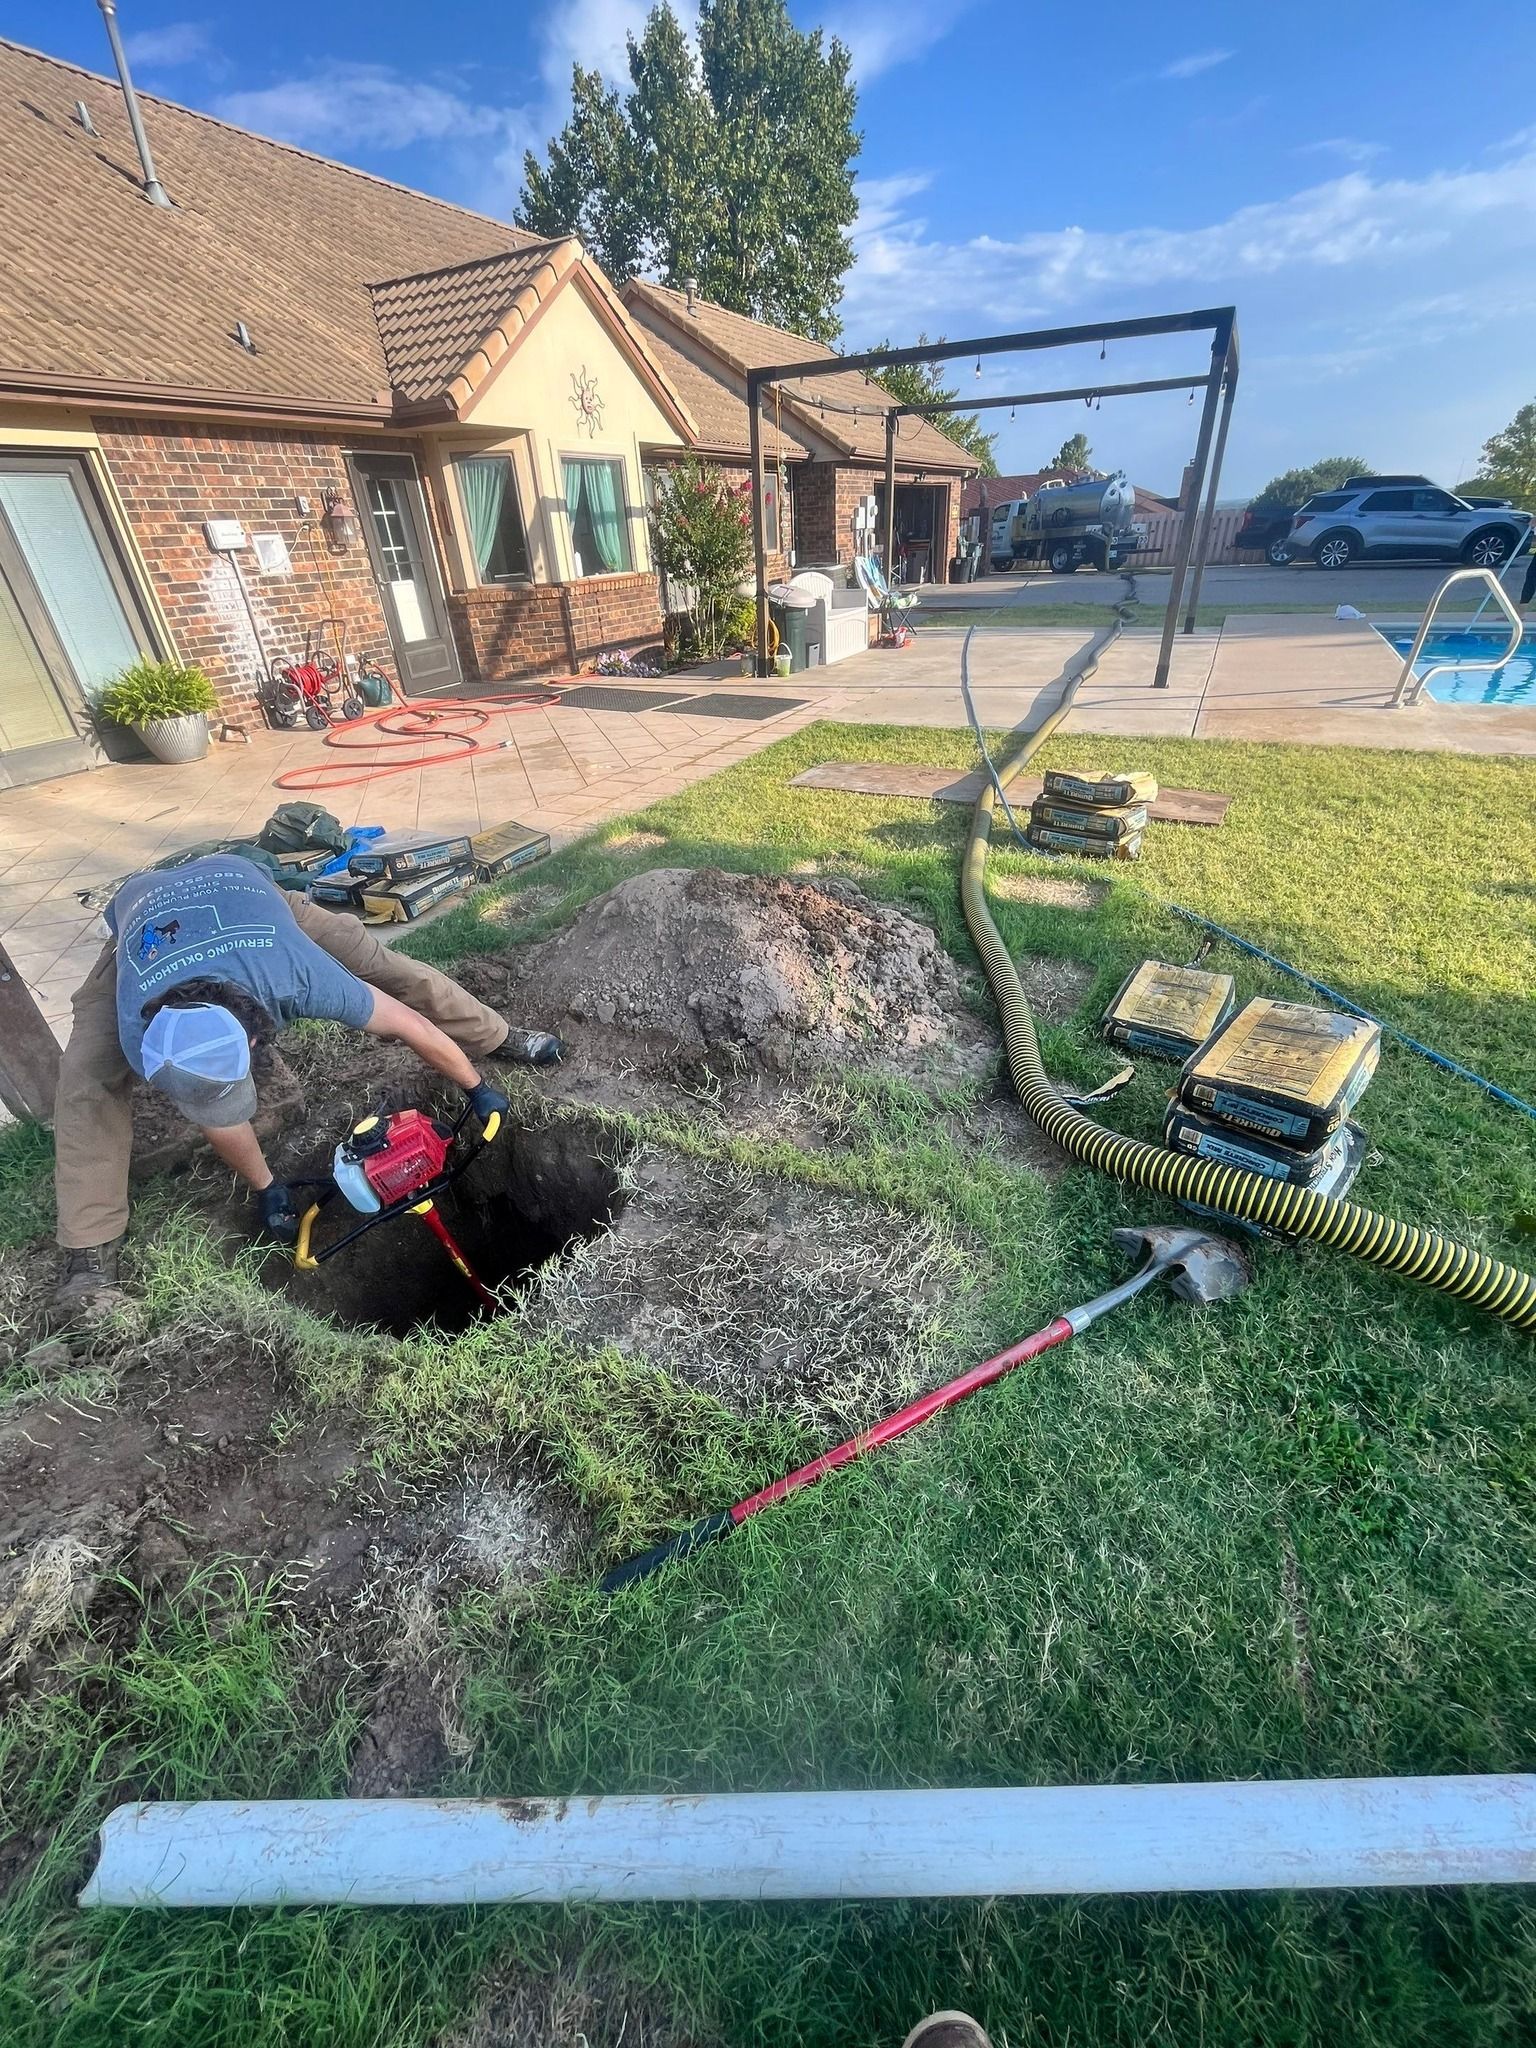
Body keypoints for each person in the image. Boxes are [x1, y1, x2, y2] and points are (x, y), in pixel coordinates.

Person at [52, 852, 563, 1315]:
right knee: (86, 1082)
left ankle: (498, 1035)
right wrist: (267, 1187)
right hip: (142, 925)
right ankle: (89, 1249)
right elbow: (212, 1109)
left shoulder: (298, 974)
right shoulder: (140, 1030)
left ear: (255, 1037)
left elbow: (408, 1024)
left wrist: (476, 1087)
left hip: (252, 896)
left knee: (383, 965)